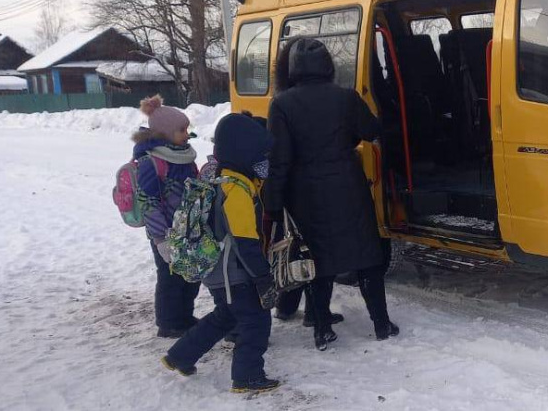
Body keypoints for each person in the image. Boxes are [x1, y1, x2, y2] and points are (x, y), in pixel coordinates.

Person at [264, 37, 398, 351]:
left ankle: (321, 328)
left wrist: (272, 202)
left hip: (305, 193)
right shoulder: (346, 98)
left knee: (317, 260)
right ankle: (381, 324)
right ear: (328, 65)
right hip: (348, 186)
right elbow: (370, 130)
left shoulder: (281, 104)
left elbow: (279, 159)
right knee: (367, 257)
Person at [161, 113, 281, 394]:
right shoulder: (236, 190)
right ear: (244, 152)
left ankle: (179, 356)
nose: (264, 161)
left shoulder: (221, 178)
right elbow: (245, 241)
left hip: (218, 272)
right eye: (259, 154)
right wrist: (263, 277)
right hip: (236, 274)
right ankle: (247, 375)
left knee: (225, 316)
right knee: (256, 321)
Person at [133, 95, 200, 338]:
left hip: (188, 228)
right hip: (165, 232)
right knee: (170, 277)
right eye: (181, 130)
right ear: (165, 133)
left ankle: (184, 316)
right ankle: (168, 322)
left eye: (187, 129)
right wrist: (161, 239)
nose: (186, 134)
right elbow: (149, 202)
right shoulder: (152, 163)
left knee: (190, 274)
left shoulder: (183, 155)